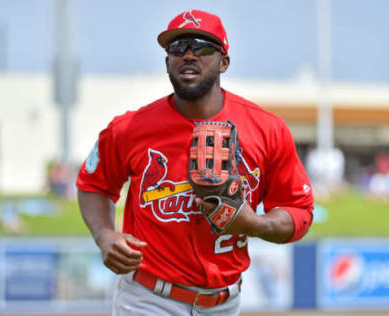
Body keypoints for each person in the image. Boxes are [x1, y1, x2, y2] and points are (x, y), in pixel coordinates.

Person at [76, 10, 314, 316]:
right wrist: (104, 235)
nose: (188, 55)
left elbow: (299, 209)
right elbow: (93, 184)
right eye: (178, 47)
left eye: (201, 46)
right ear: (167, 63)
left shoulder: (266, 129)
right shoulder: (129, 128)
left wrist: (255, 224)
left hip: (225, 302)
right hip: (148, 298)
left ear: (223, 62)